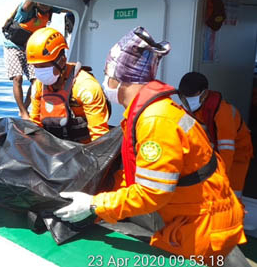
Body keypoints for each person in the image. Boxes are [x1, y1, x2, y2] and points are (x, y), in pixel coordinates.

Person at [53, 27, 246, 265]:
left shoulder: (155, 121)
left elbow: (153, 193)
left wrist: (94, 205)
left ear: (118, 78)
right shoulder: (154, 111)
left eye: (106, 75)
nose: (105, 83)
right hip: (198, 212)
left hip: (201, 225)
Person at [25, 27, 109, 143]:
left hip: (83, 149)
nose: (40, 72)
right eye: (36, 67)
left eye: (44, 66)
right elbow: (34, 124)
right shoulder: (39, 85)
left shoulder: (86, 87)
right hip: (52, 148)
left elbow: (99, 134)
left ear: (62, 60)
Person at [178, 72, 253, 198]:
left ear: (204, 93)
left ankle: (237, 215)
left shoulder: (224, 112)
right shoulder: (188, 109)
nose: (187, 100)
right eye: (184, 96)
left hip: (237, 156)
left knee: (231, 193)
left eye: (191, 96)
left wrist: (221, 177)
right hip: (215, 154)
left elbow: (227, 150)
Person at [2, 0, 64, 120]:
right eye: (41, 2)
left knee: (37, 80)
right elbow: (26, 6)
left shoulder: (50, 8)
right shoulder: (26, 9)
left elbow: (66, 7)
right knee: (17, 78)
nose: (45, 5)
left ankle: (26, 108)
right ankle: (23, 111)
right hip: (13, 46)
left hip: (30, 48)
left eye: (47, 3)